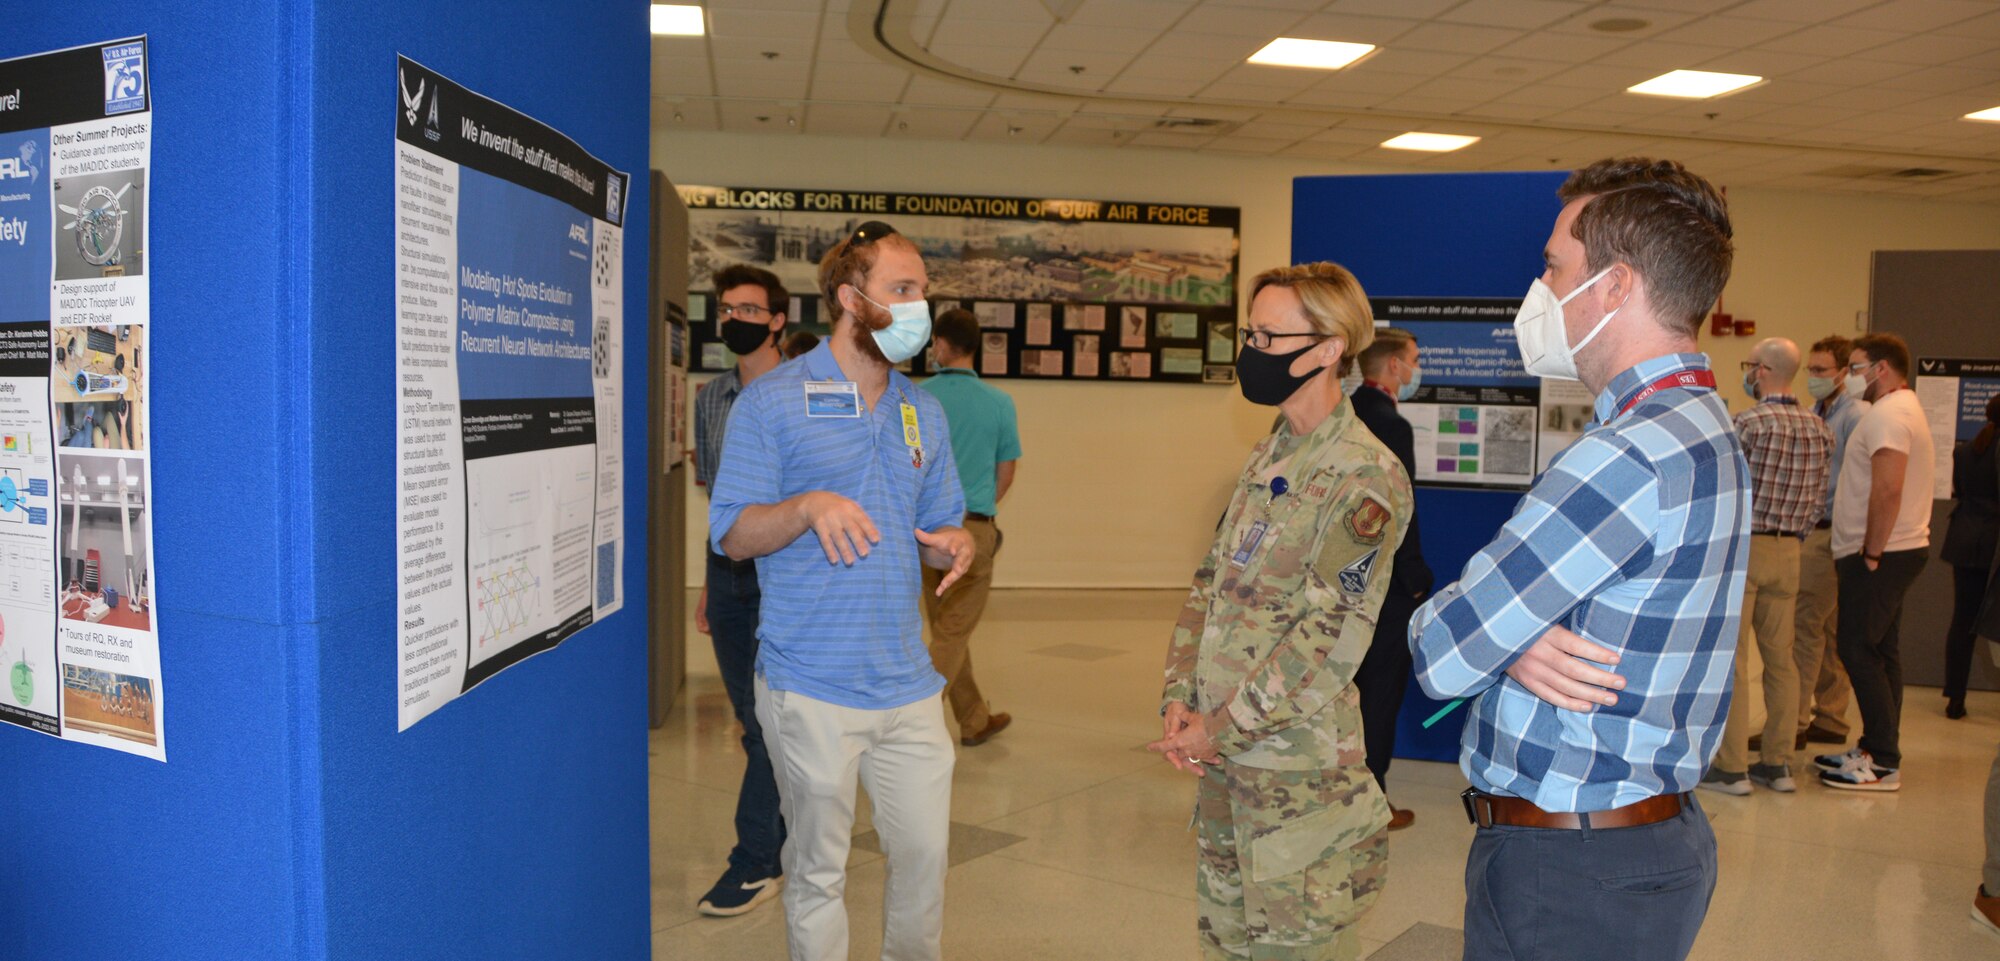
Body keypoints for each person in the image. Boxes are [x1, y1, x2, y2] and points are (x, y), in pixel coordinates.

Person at [1410, 157, 1746, 961]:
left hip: (1566, 870)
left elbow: (1442, 651)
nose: (1542, 287)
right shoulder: (1705, 424)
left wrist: (1497, 636)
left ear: (1616, 286)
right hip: (1646, 842)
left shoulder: (1622, 456)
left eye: (1555, 265)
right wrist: (1512, 638)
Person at [708, 220, 974, 961]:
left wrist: (955, 542)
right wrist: (805, 507)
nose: (920, 305)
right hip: (810, 685)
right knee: (818, 870)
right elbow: (730, 533)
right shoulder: (773, 402)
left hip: (910, 685)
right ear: (851, 298)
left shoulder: (924, 410)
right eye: (903, 289)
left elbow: (937, 527)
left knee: (924, 863)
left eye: (922, 289)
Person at [1152, 262, 1409, 961]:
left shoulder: (1364, 474)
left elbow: (1326, 642)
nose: (1251, 350)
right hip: (1227, 765)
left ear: (1328, 348)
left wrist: (1219, 726)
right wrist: (1180, 697)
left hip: (1296, 778)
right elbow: (1211, 583)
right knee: (1226, 947)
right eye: (1250, 332)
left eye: (1269, 336)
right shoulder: (1271, 452)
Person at [689, 263, 792, 917]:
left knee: (766, 724)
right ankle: (784, 839)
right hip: (729, 577)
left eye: (751, 309)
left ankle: (756, 858)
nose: (736, 320)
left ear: (779, 319)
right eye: (727, 308)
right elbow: (716, 500)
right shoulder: (711, 397)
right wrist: (707, 582)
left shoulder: (810, 392)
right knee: (757, 722)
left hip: (789, 577)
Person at [1701, 338, 1831, 796]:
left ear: (1762, 370)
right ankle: (1777, 764)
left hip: (1746, 551)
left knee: (1734, 661)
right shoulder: (1820, 428)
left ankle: (1732, 767)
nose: (1747, 373)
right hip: (1791, 552)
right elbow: (1819, 499)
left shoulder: (1748, 424)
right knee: (1783, 661)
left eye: (1749, 366)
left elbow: (1728, 490)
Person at [1817, 333, 1933, 792]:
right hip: (1892, 550)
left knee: (1858, 648)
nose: (1853, 374)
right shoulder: (1901, 409)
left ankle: (1883, 760)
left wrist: (1871, 553)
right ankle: (1875, 746)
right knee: (1882, 651)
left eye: (1859, 365)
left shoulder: (1890, 414)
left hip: (1882, 553)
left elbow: (1888, 488)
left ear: (1881, 369)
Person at [918, 308, 1021, 746]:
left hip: (924, 533)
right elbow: (1006, 472)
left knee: (947, 629)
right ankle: (913, 721)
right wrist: (978, 512)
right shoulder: (999, 403)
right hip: (973, 530)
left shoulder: (918, 397)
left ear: (941, 344)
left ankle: (974, 718)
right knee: (952, 632)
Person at [1347, 327, 1432, 829]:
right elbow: (1401, 509)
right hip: (1385, 586)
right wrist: (1415, 576)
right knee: (1380, 694)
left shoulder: (1346, 414)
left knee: (1347, 688)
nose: (1418, 369)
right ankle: (1372, 801)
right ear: (1394, 367)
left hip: (1344, 579)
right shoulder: (1390, 423)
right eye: (1414, 360)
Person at [1780, 336, 1867, 752]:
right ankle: (1830, 717)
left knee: (1806, 627)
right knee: (1827, 629)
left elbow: (1854, 479)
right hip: (1816, 528)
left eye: (1820, 371)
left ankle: (1793, 723)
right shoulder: (1819, 411)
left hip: (1829, 529)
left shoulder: (1855, 415)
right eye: (1809, 370)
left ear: (1844, 372)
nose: (1813, 378)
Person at [1942, 395, 2000, 720]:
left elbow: (1961, 492)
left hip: (1964, 538)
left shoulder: (1966, 450)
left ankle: (1955, 697)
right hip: (1993, 544)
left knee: (1962, 621)